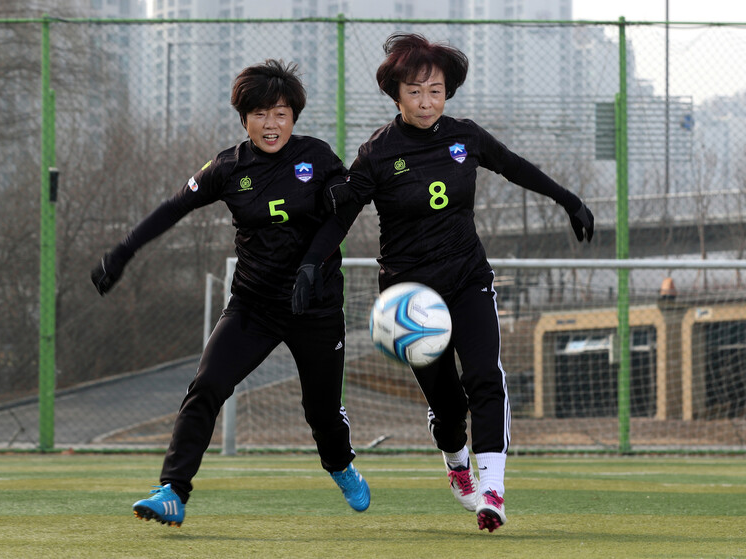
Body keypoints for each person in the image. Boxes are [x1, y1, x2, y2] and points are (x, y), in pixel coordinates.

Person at [293, 33, 593, 533]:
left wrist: (568, 200)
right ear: (396, 94)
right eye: (415, 91)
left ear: (447, 91)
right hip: (410, 298)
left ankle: (492, 490)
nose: (427, 101)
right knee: (449, 405)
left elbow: (516, 166)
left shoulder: (466, 136)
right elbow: (340, 219)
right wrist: (309, 263)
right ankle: (457, 465)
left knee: (484, 377)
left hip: (467, 277)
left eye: (435, 90)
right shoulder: (378, 152)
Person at [91, 59, 370, 527]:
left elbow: (341, 216)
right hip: (254, 305)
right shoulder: (227, 167)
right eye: (260, 113)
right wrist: (123, 252)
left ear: (293, 117)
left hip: (315, 305)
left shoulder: (318, 157)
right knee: (207, 386)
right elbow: (173, 208)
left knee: (320, 413)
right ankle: (172, 491)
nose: (271, 123)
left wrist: (310, 265)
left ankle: (340, 464)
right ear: (244, 117)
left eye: (280, 113)